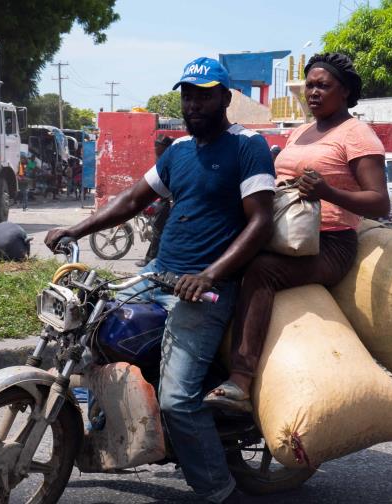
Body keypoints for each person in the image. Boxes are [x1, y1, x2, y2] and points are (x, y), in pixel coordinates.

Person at [45, 56, 275, 504]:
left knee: (178, 399)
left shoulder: (248, 146)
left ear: (225, 98)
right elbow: (134, 198)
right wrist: (78, 229)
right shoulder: (180, 151)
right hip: (157, 276)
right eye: (188, 94)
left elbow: (261, 223)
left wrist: (210, 273)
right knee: (92, 336)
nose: (193, 103)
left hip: (207, 290)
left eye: (204, 94)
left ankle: (219, 491)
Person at [206, 52, 389, 414]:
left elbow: (380, 204)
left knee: (260, 270)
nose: (313, 92)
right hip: (285, 231)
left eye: (324, 85)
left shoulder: (357, 135)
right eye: (309, 85)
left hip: (329, 243)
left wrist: (329, 193)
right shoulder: (301, 131)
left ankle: (241, 380)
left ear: (346, 91)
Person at [136, 134, 175, 267]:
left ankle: (149, 258)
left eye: (158, 145)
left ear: (164, 147)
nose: (155, 147)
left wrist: (170, 200)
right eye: (155, 144)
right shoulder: (161, 158)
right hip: (163, 199)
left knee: (158, 229)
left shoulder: (170, 159)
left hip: (168, 201)